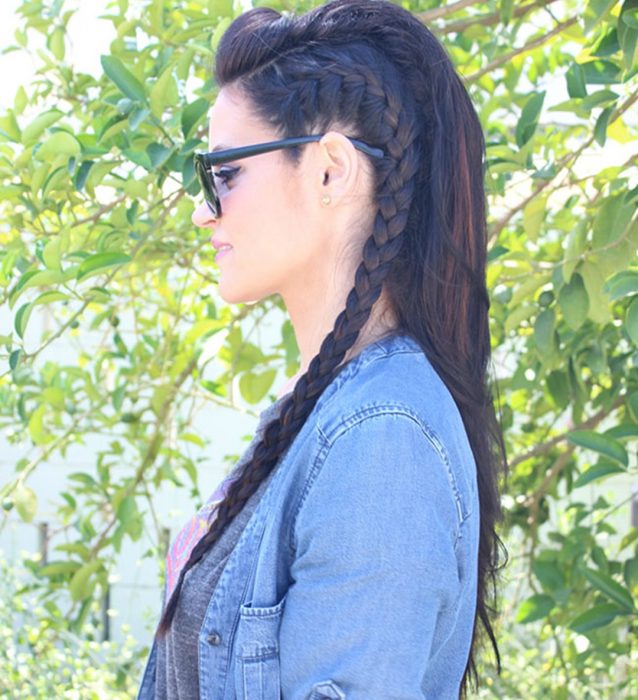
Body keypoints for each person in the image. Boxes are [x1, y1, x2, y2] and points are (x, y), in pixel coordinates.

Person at [136, 1, 507, 698]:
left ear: (331, 172)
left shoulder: (382, 438)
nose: (201, 209)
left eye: (224, 173)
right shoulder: (328, 414)